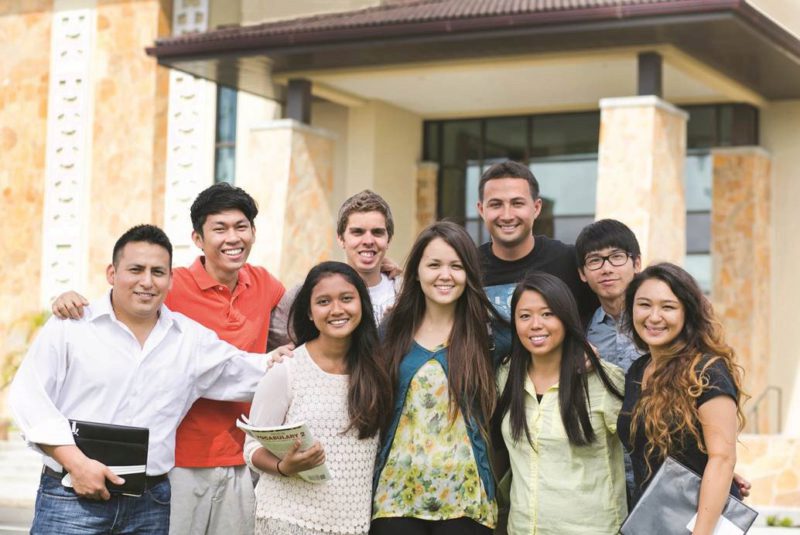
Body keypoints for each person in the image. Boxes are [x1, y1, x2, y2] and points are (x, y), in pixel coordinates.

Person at [50, 183, 286, 535]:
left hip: (239, 457)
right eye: (219, 229)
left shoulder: (265, 283)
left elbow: (320, 306)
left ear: (253, 232)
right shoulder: (169, 284)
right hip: (176, 462)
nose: (232, 238)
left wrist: (380, 281)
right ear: (198, 238)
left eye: (241, 227)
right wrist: (69, 298)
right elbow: (118, 308)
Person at [372, 221, 509, 535]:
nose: (445, 275)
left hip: (467, 497)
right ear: (416, 272)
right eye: (434, 265)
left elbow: (541, 343)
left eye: (456, 266)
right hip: (395, 495)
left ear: (469, 274)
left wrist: (581, 350)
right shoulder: (391, 331)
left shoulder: (489, 333)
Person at [244, 261, 391, 535]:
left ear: (362, 304)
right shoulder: (287, 371)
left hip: (351, 524)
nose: (337, 310)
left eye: (347, 298)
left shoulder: (377, 370)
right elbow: (251, 449)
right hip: (287, 521)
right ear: (310, 313)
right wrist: (283, 466)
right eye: (324, 301)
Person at [492, 272, 626, 534]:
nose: (535, 325)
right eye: (524, 316)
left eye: (548, 314)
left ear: (566, 318)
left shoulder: (602, 379)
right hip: (522, 527)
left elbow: (648, 446)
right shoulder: (506, 376)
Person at [618, 263, 746, 535]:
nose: (654, 317)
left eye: (668, 307)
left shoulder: (707, 371)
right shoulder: (638, 370)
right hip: (653, 520)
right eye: (644, 305)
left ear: (687, 312)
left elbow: (722, 458)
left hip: (699, 525)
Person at [268, 190, 400, 349]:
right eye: (357, 232)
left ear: (389, 240)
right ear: (341, 239)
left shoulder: (406, 293)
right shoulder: (309, 291)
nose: (368, 240)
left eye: (377, 232)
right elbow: (271, 343)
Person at [477, 160, 598, 325]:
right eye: (496, 204)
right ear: (481, 210)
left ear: (536, 207)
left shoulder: (569, 261)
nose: (507, 215)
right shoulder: (468, 267)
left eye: (517, 203)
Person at [575, 219, 644, 371]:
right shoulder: (580, 331)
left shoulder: (656, 320)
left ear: (637, 263)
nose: (606, 269)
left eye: (617, 257)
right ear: (582, 273)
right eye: (594, 260)